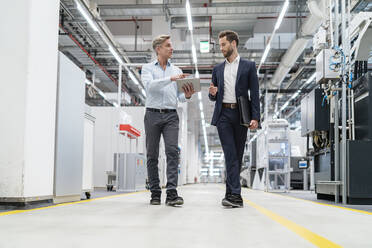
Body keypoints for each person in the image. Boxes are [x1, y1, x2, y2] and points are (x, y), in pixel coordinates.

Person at [141, 34, 196, 206]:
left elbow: (179, 97)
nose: (172, 48)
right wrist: (170, 79)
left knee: (173, 152)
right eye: (168, 46)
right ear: (158, 49)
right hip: (152, 114)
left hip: (171, 115)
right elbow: (150, 87)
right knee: (152, 155)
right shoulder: (148, 68)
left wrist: (186, 95)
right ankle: (155, 193)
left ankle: (172, 193)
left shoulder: (177, 71)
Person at [209, 30, 260, 208]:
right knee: (230, 154)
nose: (221, 48)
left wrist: (256, 117)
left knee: (237, 156)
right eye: (220, 45)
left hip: (241, 115)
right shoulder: (217, 69)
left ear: (234, 44)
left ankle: (229, 193)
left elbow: (254, 93)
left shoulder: (248, 66)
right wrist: (212, 94)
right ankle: (236, 196)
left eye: (223, 44)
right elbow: (213, 95)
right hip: (223, 115)